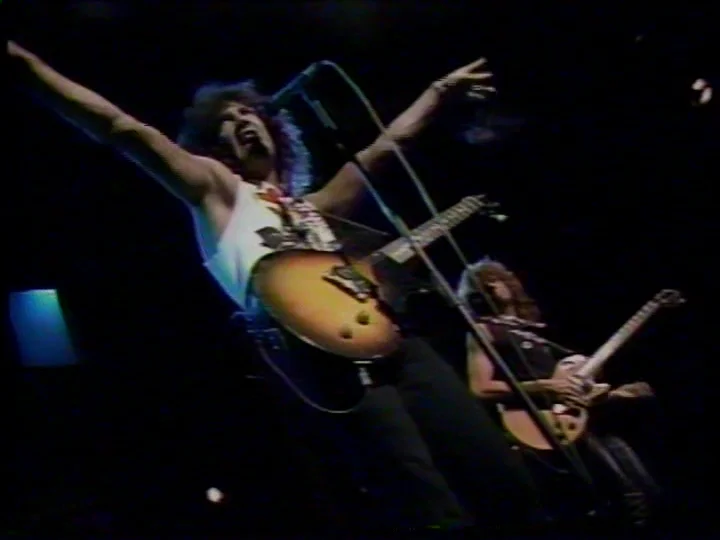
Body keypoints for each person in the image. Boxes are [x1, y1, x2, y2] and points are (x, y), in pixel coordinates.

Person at [10, 40, 546, 533]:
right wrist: (26, 66)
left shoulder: (312, 206)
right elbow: (120, 127)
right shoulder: (217, 192)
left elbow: (386, 146)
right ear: (212, 143)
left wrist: (437, 92)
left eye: (249, 113)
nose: (243, 121)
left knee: (499, 474)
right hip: (320, 356)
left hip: (391, 338)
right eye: (227, 120)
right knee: (423, 497)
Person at [458, 258, 662, 527]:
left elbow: (571, 386)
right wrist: (547, 386)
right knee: (626, 499)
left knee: (646, 492)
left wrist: (615, 394)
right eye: (486, 281)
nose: (495, 284)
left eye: (497, 278)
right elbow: (480, 388)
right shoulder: (485, 330)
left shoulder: (530, 331)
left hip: (583, 422)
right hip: (542, 424)